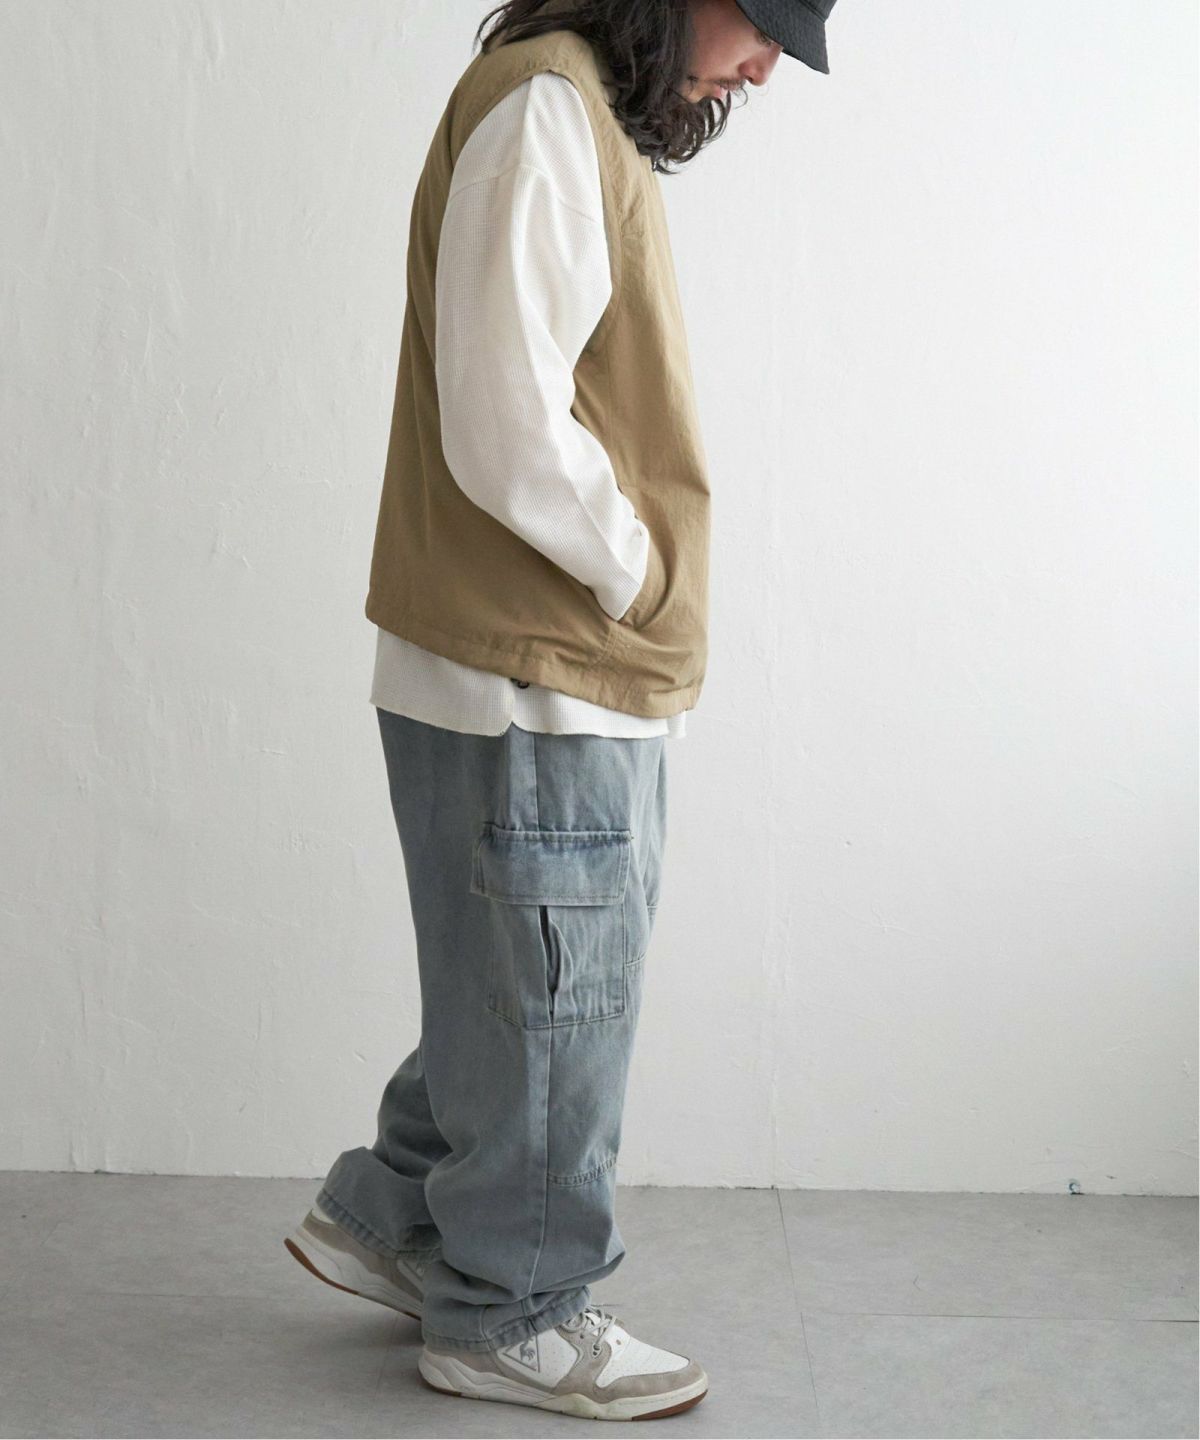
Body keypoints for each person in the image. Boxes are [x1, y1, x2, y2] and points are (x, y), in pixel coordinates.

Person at [284, 0, 836, 1421]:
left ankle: (400, 1216)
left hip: (542, 662)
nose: (769, 63)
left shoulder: (568, 107)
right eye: (764, 19)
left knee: (516, 993)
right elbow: (503, 417)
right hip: (537, 671)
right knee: (555, 1009)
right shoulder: (546, 111)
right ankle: (512, 1309)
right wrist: (635, 568)